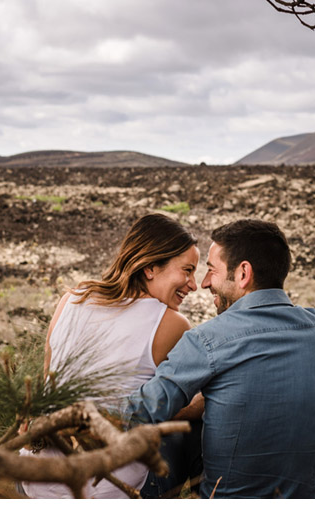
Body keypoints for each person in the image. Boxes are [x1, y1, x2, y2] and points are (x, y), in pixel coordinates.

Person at [127, 218, 315, 498]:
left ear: (243, 273)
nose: (205, 282)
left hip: (228, 497)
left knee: (178, 426)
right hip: (313, 497)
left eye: (212, 270)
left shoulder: (207, 339)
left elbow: (139, 413)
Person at [20, 213, 201, 498]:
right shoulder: (170, 324)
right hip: (109, 489)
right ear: (151, 268)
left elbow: (47, 380)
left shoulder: (72, 298)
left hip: (35, 478)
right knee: (188, 425)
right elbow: (162, 405)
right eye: (187, 270)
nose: (193, 284)